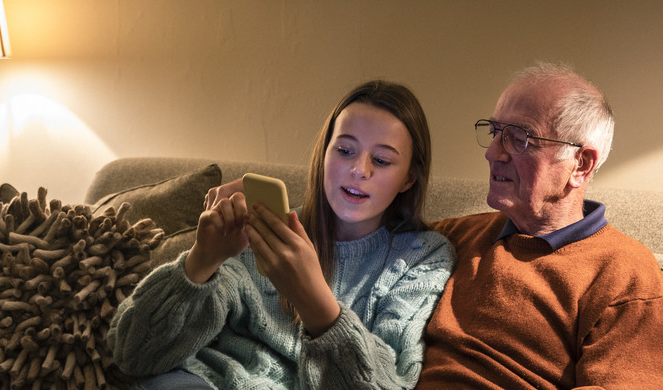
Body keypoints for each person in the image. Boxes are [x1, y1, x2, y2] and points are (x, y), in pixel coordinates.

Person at [107, 80, 455, 389]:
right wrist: (202, 260)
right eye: (345, 150)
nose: (358, 170)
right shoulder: (268, 224)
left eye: (381, 160)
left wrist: (316, 302)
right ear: (324, 154)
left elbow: (385, 383)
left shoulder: (422, 257)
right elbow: (131, 355)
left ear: (409, 178)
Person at [414, 63, 663, 388]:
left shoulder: (626, 276)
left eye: (518, 138)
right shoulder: (454, 238)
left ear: (580, 164)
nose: (493, 153)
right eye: (495, 133)